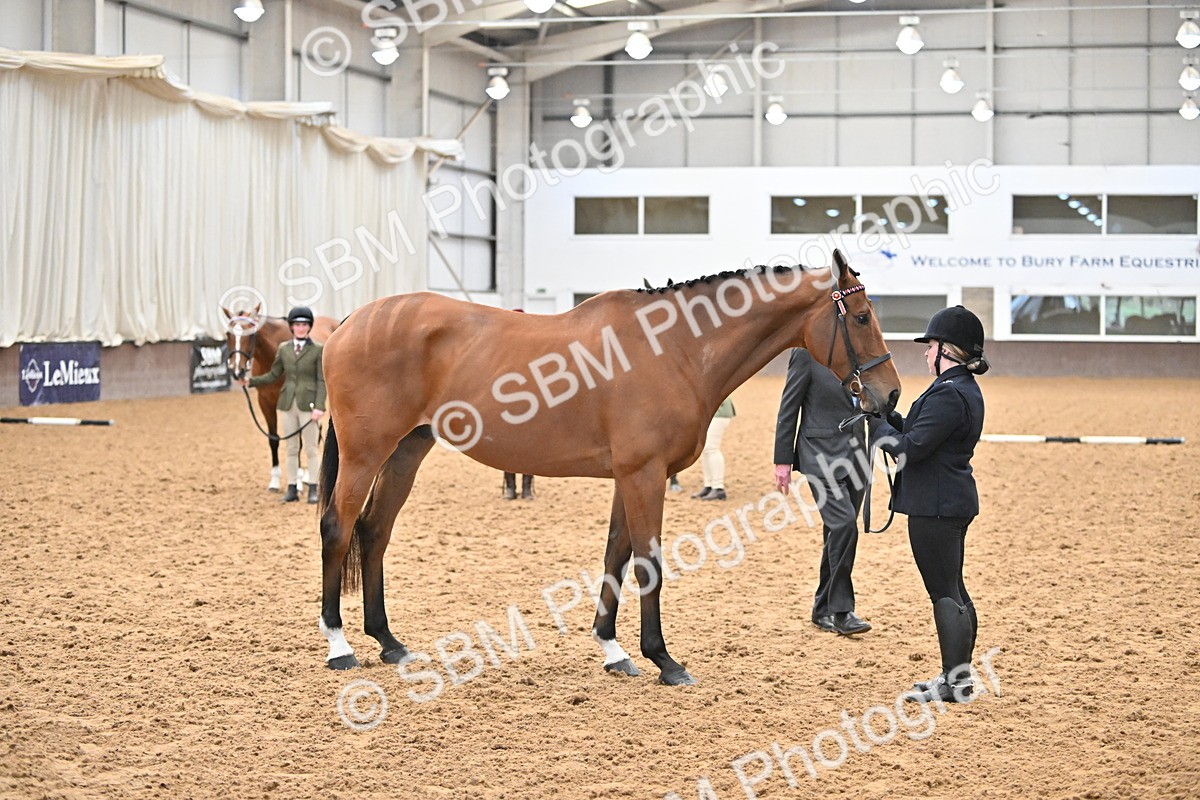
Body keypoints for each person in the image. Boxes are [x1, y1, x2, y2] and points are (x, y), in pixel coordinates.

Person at [869, 305, 989, 704]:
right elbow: (922, 435)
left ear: (948, 351)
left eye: (931, 345)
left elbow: (908, 451)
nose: (925, 352)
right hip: (947, 499)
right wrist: (891, 418)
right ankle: (957, 677)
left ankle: (955, 684)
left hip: (936, 505)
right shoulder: (958, 389)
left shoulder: (949, 392)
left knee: (944, 593)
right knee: (954, 588)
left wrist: (876, 425)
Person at [773, 348, 872, 636]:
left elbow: (872, 403)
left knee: (836, 533)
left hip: (856, 458)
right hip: (819, 456)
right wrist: (783, 460)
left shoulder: (861, 354)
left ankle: (821, 608)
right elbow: (788, 406)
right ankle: (842, 611)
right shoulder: (806, 355)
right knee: (843, 526)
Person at [239, 306, 326, 504]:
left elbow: (321, 380)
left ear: (309, 327)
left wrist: (319, 406)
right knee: (291, 447)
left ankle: (314, 487)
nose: (301, 328)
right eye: (297, 325)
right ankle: (292, 487)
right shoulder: (284, 349)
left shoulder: (317, 350)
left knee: (312, 448)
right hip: (287, 404)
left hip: (308, 403)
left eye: (304, 325)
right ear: (292, 327)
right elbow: (273, 375)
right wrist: (251, 382)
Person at [693, 397, 735, 501]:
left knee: (711, 448)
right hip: (711, 412)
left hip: (719, 412)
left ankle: (718, 487)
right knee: (706, 449)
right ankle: (709, 485)